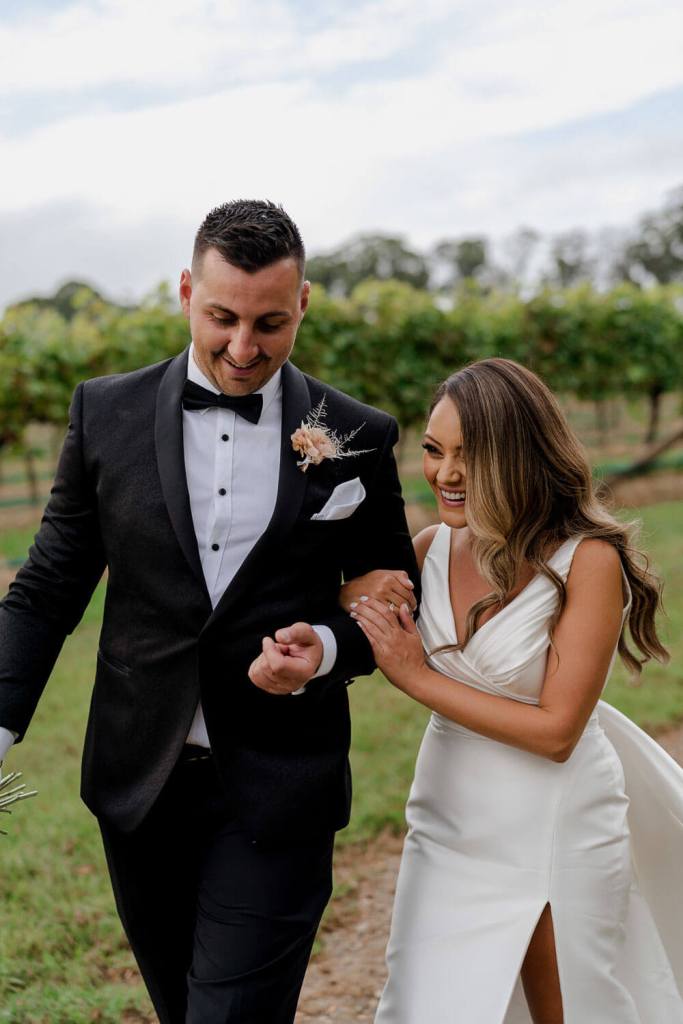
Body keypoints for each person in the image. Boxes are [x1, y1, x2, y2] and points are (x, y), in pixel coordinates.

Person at [0, 200, 418, 1024]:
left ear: (304, 303)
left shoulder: (358, 435)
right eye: (221, 317)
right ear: (187, 290)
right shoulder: (103, 413)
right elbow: (48, 587)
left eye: (269, 323)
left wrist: (325, 652)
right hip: (137, 785)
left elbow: (388, 593)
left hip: (277, 784)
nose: (241, 348)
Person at [343, 358, 683, 1023]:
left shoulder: (587, 560)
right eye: (434, 451)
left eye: (469, 456)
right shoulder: (425, 549)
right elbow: (348, 627)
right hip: (446, 816)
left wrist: (416, 676)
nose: (444, 474)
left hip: (556, 822)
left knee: (569, 1009)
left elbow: (556, 732)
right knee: (423, 1002)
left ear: (519, 456)